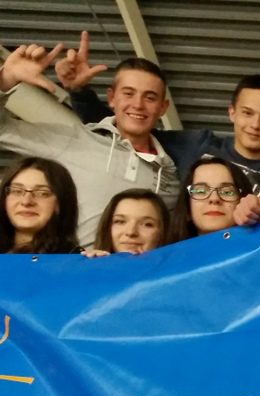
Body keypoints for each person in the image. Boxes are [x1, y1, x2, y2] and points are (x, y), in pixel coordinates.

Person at [58, 31, 260, 220]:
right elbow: (130, 126)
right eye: (247, 113)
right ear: (231, 113)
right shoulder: (197, 145)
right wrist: (79, 91)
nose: (255, 125)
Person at [0, 40, 179, 246]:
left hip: (133, 267)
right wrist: (7, 79)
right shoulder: (74, 140)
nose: (138, 105)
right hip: (66, 264)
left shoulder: (172, 175)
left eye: (150, 97)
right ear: (111, 98)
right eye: (128, 94)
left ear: (163, 107)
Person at [1, 156, 79, 254]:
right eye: (17, 191)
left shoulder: (75, 258)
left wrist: (95, 261)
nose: (26, 202)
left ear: (61, 202)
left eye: (42, 193)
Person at [170, 156, 256, 240]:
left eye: (227, 192)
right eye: (201, 191)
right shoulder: (169, 250)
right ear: (187, 208)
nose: (214, 199)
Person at [88, 188, 169, 255]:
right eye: (120, 222)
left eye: (147, 224)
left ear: (162, 231)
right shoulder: (89, 264)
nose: (131, 232)